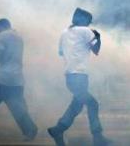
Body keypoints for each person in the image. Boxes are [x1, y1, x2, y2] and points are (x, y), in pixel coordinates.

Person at [47, 8, 109, 146]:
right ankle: (98, 137)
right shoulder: (86, 31)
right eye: (88, 21)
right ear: (83, 19)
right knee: (92, 104)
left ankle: (58, 130)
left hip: (70, 76)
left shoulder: (64, 33)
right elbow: (96, 50)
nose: (88, 23)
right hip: (80, 76)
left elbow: (61, 53)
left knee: (77, 106)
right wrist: (98, 37)